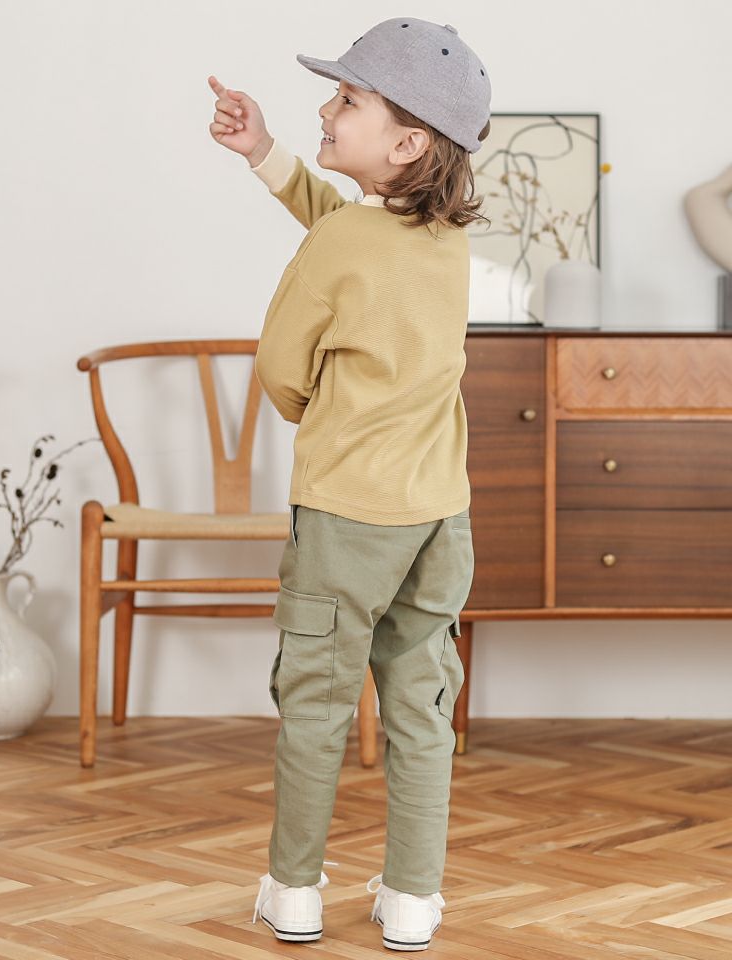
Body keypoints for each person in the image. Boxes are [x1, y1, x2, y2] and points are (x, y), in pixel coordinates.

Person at [208, 16, 490, 952]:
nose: (327, 109)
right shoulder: (445, 240)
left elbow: (280, 368)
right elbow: (349, 230)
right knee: (421, 706)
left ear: (406, 145)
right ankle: (412, 898)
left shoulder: (341, 246)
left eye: (349, 99)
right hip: (438, 517)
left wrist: (317, 407)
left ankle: (294, 892)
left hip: (344, 517)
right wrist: (266, 154)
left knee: (317, 706)